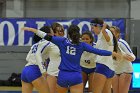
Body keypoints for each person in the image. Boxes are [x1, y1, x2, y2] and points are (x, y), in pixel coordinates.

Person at [21, 24, 119, 93]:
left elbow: (45, 36)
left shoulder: (61, 41)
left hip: (61, 75)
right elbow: (98, 51)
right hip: (74, 75)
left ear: (68, 33)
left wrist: (31, 29)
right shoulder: (81, 45)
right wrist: (113, 53)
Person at [90, 18, 118, 93]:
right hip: (109, 68)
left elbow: (109, 41)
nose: (92, 30)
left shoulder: (105, 32)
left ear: (97, 26)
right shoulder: (101, 35)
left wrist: (103, 30)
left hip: (102, 66)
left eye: (93, 28)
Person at [21, 26, 50, 93]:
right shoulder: (48, 42)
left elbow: (27, 57)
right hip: (35, 70)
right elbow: (38, 55)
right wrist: (43, 70)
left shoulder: (35, 44)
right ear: (48, 34)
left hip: (25, 70)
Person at [110, 26, 136, 93]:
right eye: (109, 32)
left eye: (112, 32)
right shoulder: (108, 44)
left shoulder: (121, 43)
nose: (110, 33)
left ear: (117, 34)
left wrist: (123, 55)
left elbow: (133, 57)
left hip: (125, 70)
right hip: (115, 70)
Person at [46, 22, 65, 93]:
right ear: (54, 33)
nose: (61, 32)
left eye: (62, 30)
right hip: (52, 73)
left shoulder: (68, 42)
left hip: (64, 73)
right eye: (59, 31)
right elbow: (42, 57)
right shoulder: (49, 43)